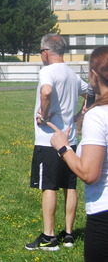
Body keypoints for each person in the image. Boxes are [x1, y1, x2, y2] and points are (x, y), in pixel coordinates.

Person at [26, 33, 89, 251]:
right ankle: (69, 235)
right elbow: (90, 93)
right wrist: (81, 114)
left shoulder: (47, 71)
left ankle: (49, 237)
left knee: (49, 186)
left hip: (49, 140)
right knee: (69, 186)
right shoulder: (72, 74)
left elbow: (46, 91)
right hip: (69, 140)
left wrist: (43, 115)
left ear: (46, 52)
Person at [47, 46, 108, 261]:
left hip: (104, 215)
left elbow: (89, 173)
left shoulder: (99, 116)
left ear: (93, 75)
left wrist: (63, 148)